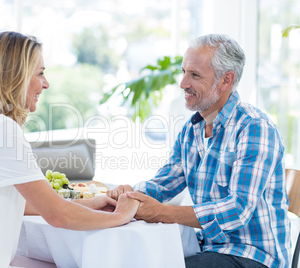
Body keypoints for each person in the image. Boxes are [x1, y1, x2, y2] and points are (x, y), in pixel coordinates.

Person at [0, 31, 139, 268]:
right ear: (16, 77)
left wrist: (90, 204)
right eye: (40, 73)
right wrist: (120, 217)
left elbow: (25, 202)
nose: (46, 83)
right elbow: (57, 215)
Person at [107, 34, 291, 268]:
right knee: (134, 258)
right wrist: (128, 194)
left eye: (194, 75)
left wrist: (162, 212)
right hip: (209, 248)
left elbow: (238, 210)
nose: (183, 83)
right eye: (184, 72)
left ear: (226, 80)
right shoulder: (192, 130)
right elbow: (165, 183)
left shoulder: (254, 128)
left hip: (253, 256)